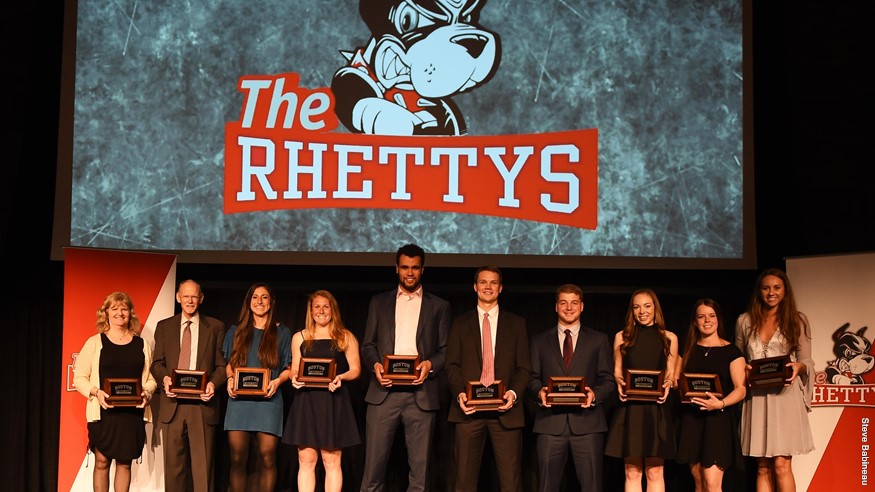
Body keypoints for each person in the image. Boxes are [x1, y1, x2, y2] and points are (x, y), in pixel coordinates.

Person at [359, 243, 452, 492]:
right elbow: (368, 345)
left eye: (415, 268)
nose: (409, 273)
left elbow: (445, 351)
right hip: (383, 394)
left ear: (422, 270)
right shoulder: (378, 302)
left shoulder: (439, 306)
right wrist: (376, 366)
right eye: (404, 268)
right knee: (372, 473)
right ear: (396, 269)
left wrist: (429, 365)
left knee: (419, 476)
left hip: (421, 396)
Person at [446, 265, 531, 492]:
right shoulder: (459, 323)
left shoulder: (516, 324)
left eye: (493, 282)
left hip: (506, 413)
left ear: (500, 288)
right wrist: (461, 395)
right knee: (463, 482)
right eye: (483, 282)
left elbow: (524, 368)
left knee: (511, 483)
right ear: (475, 287)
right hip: (468, 413)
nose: (488, 287)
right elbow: (451, 366)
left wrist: (512, 395)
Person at [528, 284, 616, 492]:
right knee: (546, 486)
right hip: (550, 425)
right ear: (556, 306)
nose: (569, 307)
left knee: (592, 486)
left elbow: (608, 380)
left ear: (582, 306)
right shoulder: (539, 341)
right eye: (563, 303)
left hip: (588, 425)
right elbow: (531, 379)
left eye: (574, 303)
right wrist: (539, 392)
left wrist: (594, 395)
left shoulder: (599, 339)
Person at [735, 268, 814, 491]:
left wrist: (798, 367)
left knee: (781, 463)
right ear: (759, 291)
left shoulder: (798, 320)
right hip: (757, 398)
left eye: (777, 287)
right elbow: (738, 358)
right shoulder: (744, 321)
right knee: (762, 466)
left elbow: (807, 360)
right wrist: (745, 369)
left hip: (785, 397)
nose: (771, 292)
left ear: (785, 291)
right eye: (766, 287)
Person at [73, 291, 158, 492]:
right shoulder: (94, 342)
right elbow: (79, 378)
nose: (120, 313)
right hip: (104, 413)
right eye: (115, 308)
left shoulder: (141, 344)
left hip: (131, 414)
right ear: (106, 314)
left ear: (130, 313)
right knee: (101, 462)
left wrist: (146, 393)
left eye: (124, 308)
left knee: (124, 463)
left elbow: (150, 378)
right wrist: (96, 392)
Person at [150, 279, 227, 492]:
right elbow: (157, 364)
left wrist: (212, 384)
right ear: (178, 298)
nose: (190, 300)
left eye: (194, 296)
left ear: (201, 298)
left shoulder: (216, 327)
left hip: (202, 407)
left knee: (203, 473)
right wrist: (165, 379)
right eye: (186, 296)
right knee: (173, 471)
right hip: (172, 406)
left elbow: (222, 366)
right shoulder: (164, 326)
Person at [283, 290, 361, 492]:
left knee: (331, 460)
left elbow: (356, 370)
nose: (321, 311)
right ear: (311, 310)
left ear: (332, 309)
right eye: (317, 306)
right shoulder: (299, 337)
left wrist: (341, 377)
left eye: (326, 306)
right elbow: (294, 370)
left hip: (333, 402)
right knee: (306, 459)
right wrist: (294, 380)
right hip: (306, 403)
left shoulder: (345, 337)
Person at [604, 288, 679, 492]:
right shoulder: (622, 336)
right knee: (632, 471)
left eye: (647, 306)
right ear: (632, 310)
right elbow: (617, 372)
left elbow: (671, 374)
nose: (642, 311)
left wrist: (668, 383)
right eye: (636, 307)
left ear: (655, 308)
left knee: (655, 471)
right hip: (630, 409)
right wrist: (619, 383)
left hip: (656, 409)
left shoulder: (669, 337)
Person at [223, 282, 292, 492]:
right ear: (248, 302)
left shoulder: (282, 332)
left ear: (271, 303)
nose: (259, 301)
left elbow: (289, 368)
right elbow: (229, 366)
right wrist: (230, 380)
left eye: (264, 297)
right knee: (237, 459)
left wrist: (277, 381)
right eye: (255, 297)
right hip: (238, 403)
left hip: (269, 402)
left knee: (268, 458)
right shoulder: (236, 331)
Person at [676, 299, 746, 492]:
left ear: (718, 319)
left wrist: (721, 403)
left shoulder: (731, 351)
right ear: (695, 322)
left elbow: (741, 389)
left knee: (712, 484)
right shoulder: (687, 350)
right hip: (692, 421)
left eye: (711, 315)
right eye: (701, 316)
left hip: (718, 421)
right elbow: (676, 380)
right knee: (699, 482)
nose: (707, 320)